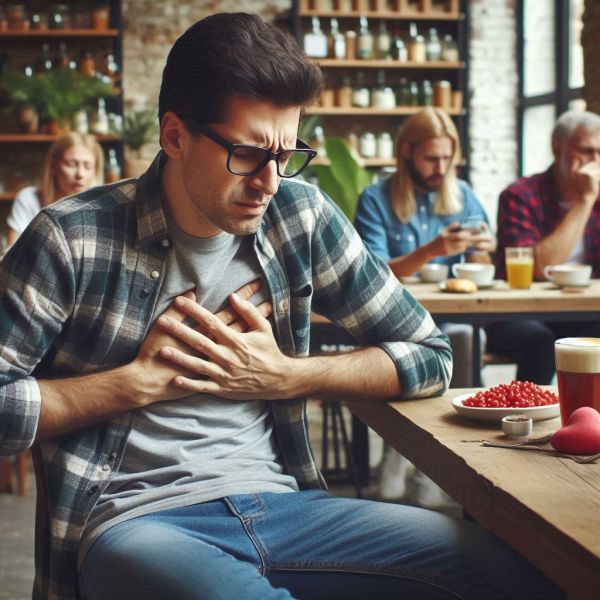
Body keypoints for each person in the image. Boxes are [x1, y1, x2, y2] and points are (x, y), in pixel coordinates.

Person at [0, 13, 562, 600]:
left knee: (515, 575)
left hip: (285, 506)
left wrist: (287, 376)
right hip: (136, 522)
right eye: (247, 154)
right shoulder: (70, 238)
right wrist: (134, 384)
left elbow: (430, 354)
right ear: (174, 136)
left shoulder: (302, 216)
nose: (270, 181)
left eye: (288, 153)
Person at [355, 108, 493, 505]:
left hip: (451, 317)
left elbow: (478, 269)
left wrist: (482, 253)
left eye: (447, 158)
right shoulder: (376, 199)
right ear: (406, 152)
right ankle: (399, 451)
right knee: (413, 348)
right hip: (393, 319)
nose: (441, 167)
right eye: (432, 158)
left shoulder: (462, 195)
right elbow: (372, 273)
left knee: (463, 336)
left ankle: (444, 460)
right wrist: (433, 250)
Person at [486, 109, 600, 383]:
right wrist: (585, 200)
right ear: (557, 147)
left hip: (581, 310)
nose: (595, 161)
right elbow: (540, 269)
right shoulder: (520, 195)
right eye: (586, 151)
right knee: (541, 342)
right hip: (517, 312)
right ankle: (528, 419)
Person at [5, 132, 104, 248]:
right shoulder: (28, 199)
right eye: (71, 164)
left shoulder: (103, 208)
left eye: (87, 166)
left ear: (95, 171)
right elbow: (11, 256)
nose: (80, 174)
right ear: (53, 166)